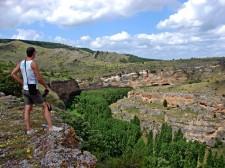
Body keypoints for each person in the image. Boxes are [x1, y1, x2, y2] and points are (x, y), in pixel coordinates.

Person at [11, 46, 63, 135]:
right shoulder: (33, 63)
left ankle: (29, 130)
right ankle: (51, 127)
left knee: (27, 109)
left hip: (25, 89)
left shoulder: (21, 63)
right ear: (33, 53)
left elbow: (13, 74)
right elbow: (38, 78)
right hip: (33, 90)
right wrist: (46, 86)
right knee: (45, 106)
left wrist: (22, 82)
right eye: (35, 53)